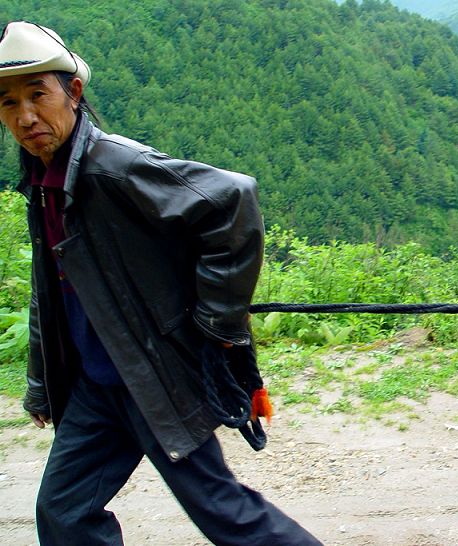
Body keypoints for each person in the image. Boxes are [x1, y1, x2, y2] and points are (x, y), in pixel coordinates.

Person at [0, 21, 323, 545]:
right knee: (63, 512)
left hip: (152, 379)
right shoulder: (43, 182)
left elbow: (232, 201)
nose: (26, 116)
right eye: (9, 104)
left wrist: (216, 322)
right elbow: (51, 289)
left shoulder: (114, 168)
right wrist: (42, 382)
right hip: (97, 388)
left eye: (38, 95)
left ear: (74, 93)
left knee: (222, 511)